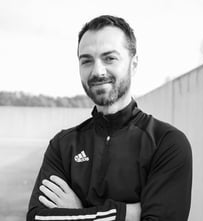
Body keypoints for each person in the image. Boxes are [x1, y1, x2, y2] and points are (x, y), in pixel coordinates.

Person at [27, 15, 192, 221]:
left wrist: (78, 212)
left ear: (134, 64)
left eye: (109, 58)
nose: (97, 71)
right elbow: (37, 218)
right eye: (86, 61)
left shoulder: (166, 143)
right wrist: (126, 214)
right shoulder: (62, 145)